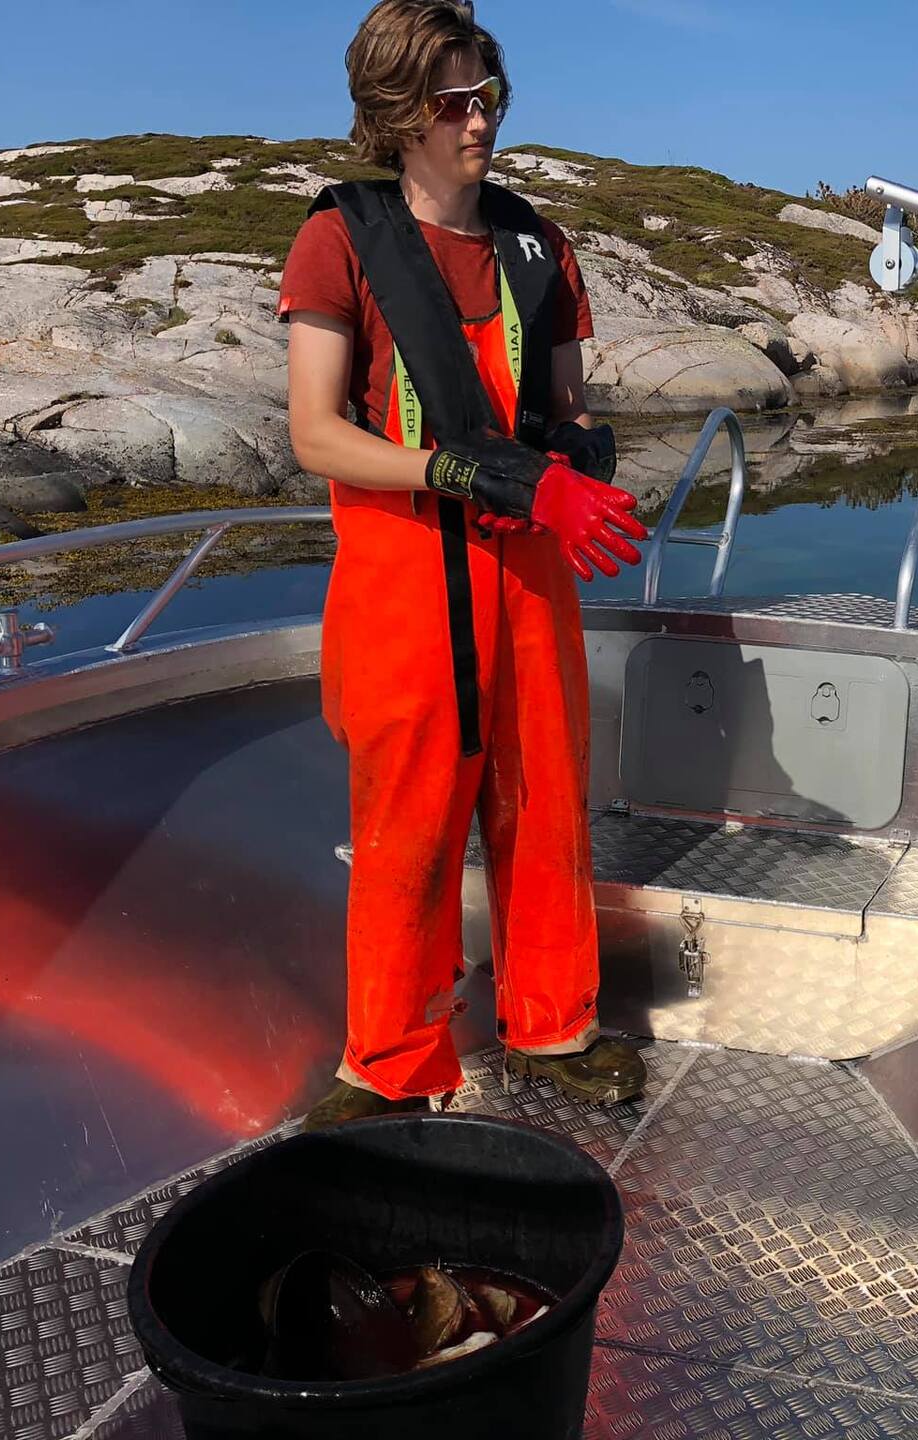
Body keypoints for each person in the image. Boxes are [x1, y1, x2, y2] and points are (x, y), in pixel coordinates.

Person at [278, 0, 648, 1129]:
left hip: (530, 570)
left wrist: (580, 458)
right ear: (397, 112)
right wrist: (458, 472)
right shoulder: (340, 239)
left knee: (543, 797)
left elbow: (568, 405)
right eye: (451, 101)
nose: (477, 120)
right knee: (411, 819)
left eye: (487, 95)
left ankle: (552, 1027)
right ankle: (391, 1062)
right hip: (405, 575)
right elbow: (316, 434)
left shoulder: (541, 246)